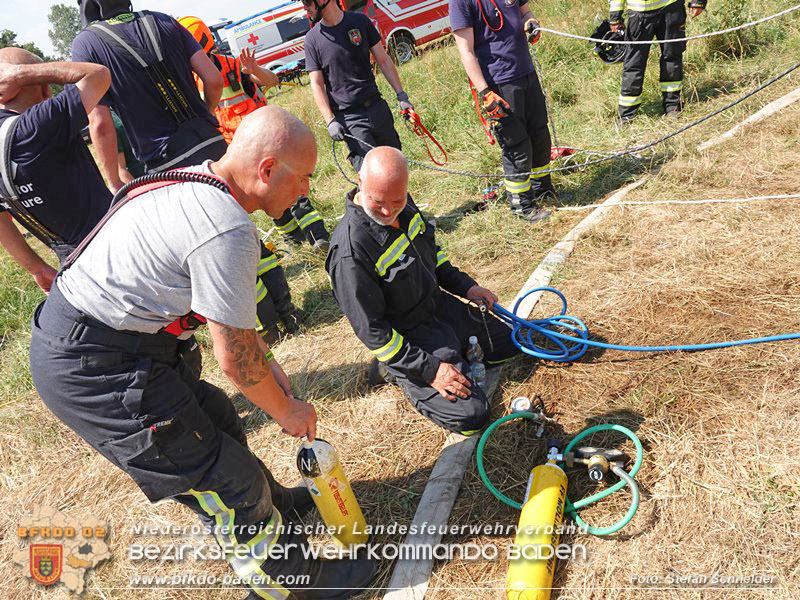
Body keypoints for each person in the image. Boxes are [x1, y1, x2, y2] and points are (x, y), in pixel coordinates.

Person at [29, 106, 376, 599]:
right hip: (93, 366)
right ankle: (294, 584)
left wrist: (267, 359)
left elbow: (234, 330)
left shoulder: (202, 180)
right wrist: (289, 411)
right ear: (268, 169)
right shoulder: (227, 229)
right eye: (302, 180)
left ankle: (272, 504)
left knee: (216, 420)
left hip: (127, 342)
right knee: (220, 478)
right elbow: (234, 361)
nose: (305, 193)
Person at [326, 147, 522, 435]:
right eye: (378, 202)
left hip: (438, 306)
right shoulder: (350, 253)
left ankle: (454, 351)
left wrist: (467, 287)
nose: (387, 211)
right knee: (472, 416)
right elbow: (374, 332)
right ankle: (394, 371)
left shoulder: (403, 205)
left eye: (397, 200)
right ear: (359, 180)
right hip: (410, 336)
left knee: (512, 343)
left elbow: (433, 258)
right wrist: (430, 370)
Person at [179, 15, 331, 252]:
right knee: (265, 197)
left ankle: (318, 237)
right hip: (236, 150)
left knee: (293, 189)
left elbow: (273, 80)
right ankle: (294, 240)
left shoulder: (232, 66)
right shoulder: (190, 81)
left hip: (267, 141)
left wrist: (255, 70)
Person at [72, 0, 226, 189]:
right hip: (213, 143)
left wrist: (114, 181)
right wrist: (206, 114)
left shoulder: (86, 44)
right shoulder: (165, 20)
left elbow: (100, 123)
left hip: (168, 166)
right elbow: (214, 81)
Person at [0, 48, 112, 291]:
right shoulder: (37, 125)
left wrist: (36, 267)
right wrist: (24, 72)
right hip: (113, 248)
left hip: (72, 267)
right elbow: (99, 75)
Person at [450, 0, 558, 223]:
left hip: (526, 73)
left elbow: (526, 12)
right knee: (517, 143)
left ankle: (543, 189)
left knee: (539, 134)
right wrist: (485, 93)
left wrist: (531, 23)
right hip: (499, 83)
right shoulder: (460, 2)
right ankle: (522, 204)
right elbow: (466, 51)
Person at [303, 0, 414, 174]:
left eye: (307, 1)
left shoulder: (360, 21)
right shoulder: (312, 40)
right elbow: (316, 84)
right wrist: (330, 120)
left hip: (377, 108)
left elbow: (383, 60)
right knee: (371, 174)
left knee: (395, 167)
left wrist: (402, 96)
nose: (305, 7)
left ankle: (405, 202)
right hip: (350, 119)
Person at [611, 0, 706, 122]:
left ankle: (672, 106)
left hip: (671, 7)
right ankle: (626, 115)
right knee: (633, 64)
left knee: (672, 57)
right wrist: (615, 16)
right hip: (639, 13)